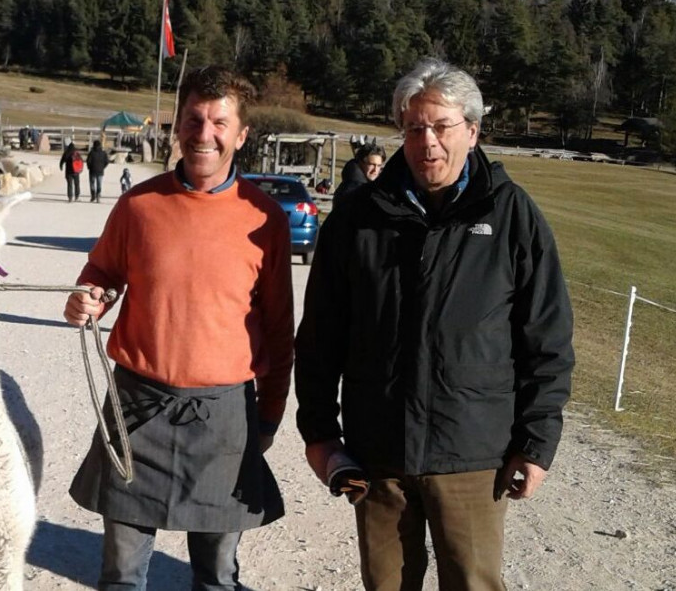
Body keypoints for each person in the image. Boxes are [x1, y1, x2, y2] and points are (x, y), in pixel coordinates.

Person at [295, 59, 574, 591]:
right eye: (415, 128)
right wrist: (319, 433)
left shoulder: (512, 214)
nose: (428, 143)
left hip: (472, 455)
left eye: (442, 127)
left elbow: (547, 337)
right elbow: (320, 336)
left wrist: (537, 441)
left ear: (472, 130)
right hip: (379, 455)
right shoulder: (358, 216)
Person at [63, 66, 294, 589]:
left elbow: (280, 332)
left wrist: (270, 416)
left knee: (216, 577)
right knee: (120, 574)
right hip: (135, 410)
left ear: (240, 134)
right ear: (178, 126)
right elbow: (101, 274)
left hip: (223, 416)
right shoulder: (138, 206)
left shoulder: (265, 218)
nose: (203, 133)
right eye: (193, 119)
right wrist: (89, 299)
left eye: (218, 121)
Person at [332, 143, 385, 208]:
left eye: (379, 166)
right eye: (371, 165)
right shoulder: (353, 190)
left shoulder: (367, 186)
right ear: (361, 163)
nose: (375, 170)